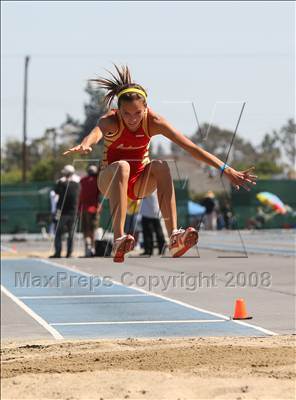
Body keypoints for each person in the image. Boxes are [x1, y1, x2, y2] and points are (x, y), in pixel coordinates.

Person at [63, 64, 256, 262]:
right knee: (122, 166)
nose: (132, 119)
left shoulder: (154, 121)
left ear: (145, 108)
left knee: (161, 165)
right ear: (118, 110)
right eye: (127, 114)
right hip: (110, 180)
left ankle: (174, 237)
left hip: (140, 183)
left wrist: (226, 169)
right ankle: (118, 238)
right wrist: (85, 144)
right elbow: (95, 133)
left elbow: (192, 149)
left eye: (137, 113)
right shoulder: (110, 120)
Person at [49, 165, 80, 258]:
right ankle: (69, 253)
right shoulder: (76, 185)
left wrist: (60, 182)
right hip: (73, 212)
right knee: (71, 233)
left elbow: (55, 192)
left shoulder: (61, 184)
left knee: (58, 232)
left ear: (65, 174)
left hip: (62, 212)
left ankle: (58, 252)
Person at [79, 165, 102, 257]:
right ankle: (93, 248)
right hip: (94, 209)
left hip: (84, 209)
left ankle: (87, 249)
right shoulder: (97, 181)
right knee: (94, 230)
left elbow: (80, 195)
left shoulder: (82, 180)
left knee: (86, 230)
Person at [140, 191, 165, 256]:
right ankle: (161, 249)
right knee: (158, 231)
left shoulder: (147, 185)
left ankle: (148, 250)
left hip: (147, 212)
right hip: (155, 210)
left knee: (148, 233)